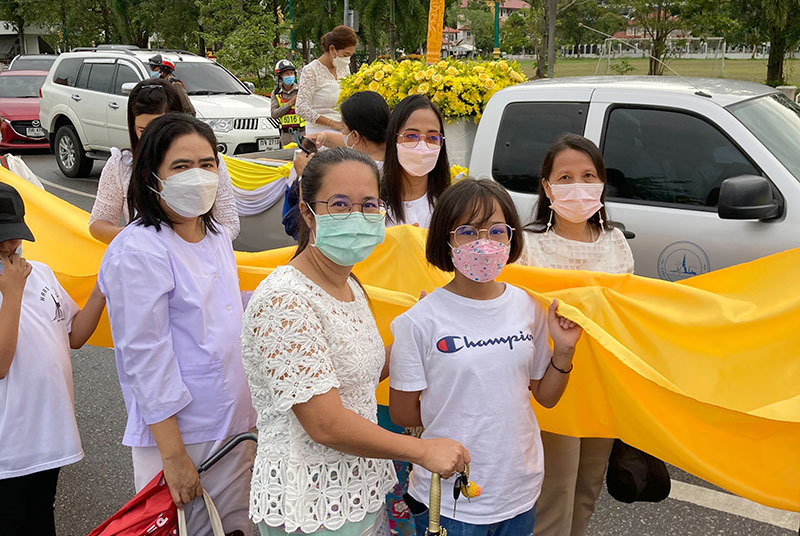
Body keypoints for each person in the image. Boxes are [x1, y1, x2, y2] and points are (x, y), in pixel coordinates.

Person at [240, 147, 470, 535]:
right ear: (308, 212)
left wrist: (418, 329)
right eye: (340, 204)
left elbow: (355, 377)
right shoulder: (285, 299)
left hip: (358, 493)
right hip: (309, 507)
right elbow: (325, 423)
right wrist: (423, 450)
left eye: (368, 205)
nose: (357, 217)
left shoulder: (348, 285)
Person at [389, 178, 583, 536]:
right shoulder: (419, 320)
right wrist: (455, 413)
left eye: (496, 231)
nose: (484, 243)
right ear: (446, 240)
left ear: (511, 237)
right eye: (467, 231)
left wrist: (565, 351)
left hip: (518, 490)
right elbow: (401, 411)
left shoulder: (530, 308)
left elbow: (546, 396)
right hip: (450, 499)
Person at [97, 114, 256, 536]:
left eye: (208, 164)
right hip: (183, 437)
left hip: (234, 422)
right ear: (153, 177)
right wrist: (174, 458)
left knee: (235, 527)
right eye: (181, 167)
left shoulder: (216, 233)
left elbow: (222, 312)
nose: (199, 176)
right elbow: (145, 360)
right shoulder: (137, 250)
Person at [519, 134, 634, 536]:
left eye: (588, 176)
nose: (578, 186)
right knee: (555, 493)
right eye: (565, 178)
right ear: (547, 187)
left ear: (602, 183)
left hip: (604, 386)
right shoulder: (529, 246)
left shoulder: (616, 241)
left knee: (587, 491)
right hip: (555, 387)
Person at [0, 183, 106, 536]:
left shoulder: (40, 273)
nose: (7, 247)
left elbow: (74, 336)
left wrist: (102, 288)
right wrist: (12, 293)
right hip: (9, 450)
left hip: (49, 438)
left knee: (42, 517)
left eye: (12, 236)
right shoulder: (14, 284)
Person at [88, 79, 239, 244]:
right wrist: (136, 237)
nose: (153, 139)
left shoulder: (205, 162)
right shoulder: (122, 165)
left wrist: (196, 247)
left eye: (163, 130)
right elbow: (99, 223)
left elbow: (228, 222)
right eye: (144, 131)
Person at [382, 95, 451, 228]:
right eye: (411, 136)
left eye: (432, 137)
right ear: (394, 139)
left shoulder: (450, 205)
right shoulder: (375, 205)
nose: (422, 145)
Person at [295, 25, 357, 134]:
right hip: (319, 132)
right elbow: (301, 108)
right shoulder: (311, 70)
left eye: (350, 56)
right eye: (345, 55)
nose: (347, 59)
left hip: (344, 128)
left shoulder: (344, 68)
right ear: (332, 49)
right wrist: (332, 123)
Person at [305, 90, 390, 170]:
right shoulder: (394, 150)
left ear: (355, 135)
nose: (343, 132)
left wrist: (304, 171)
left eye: (343, 127)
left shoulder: (358, 170)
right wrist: (324, 136)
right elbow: (347, 142)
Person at [271, 59, 305, 147]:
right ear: (280, 77)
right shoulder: (276, 93)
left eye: (291, 73)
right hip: (286, 136)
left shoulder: (301, 90)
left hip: (302, 133)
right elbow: (274, 114)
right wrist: (290, 103)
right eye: (286, 74)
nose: (289, 76)